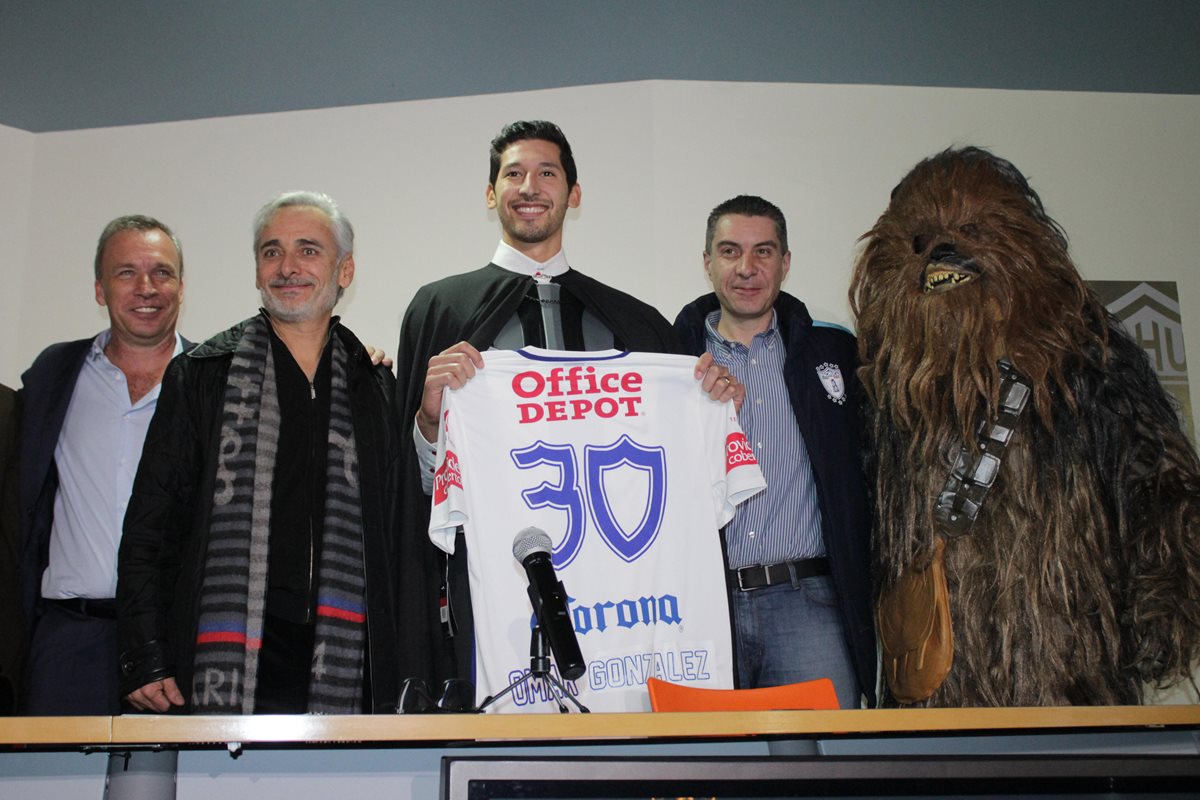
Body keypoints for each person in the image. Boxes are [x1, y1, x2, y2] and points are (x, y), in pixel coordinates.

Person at [395, 120, 740, 683]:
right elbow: (413, 484)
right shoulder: (439, 310)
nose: (530, 186)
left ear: (573, 195)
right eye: (514, 174)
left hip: (625, 595)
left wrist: (711, 406)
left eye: (547, 173)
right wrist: (430, 420)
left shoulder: (636, 323)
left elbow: (679, 471)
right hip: (494, 583)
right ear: (491, 194)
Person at [117, 191, 402, 714]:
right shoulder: (202, 373)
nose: (287, 267)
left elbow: (398, 539)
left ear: (345, 270)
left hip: (345, 657)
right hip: (224, 652)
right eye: (272, 252)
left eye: (308, 250)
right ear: (255, 270)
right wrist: (145, 654)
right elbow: (150, 529)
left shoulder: (375, 385)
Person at [674, 195, 876, 709]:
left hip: (809, 604)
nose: (747, 268)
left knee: (821, 773)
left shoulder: (835, 353)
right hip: (702, 607)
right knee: (705, 774)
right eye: (729, 251)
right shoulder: (669, 363)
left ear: (785, 263)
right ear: (707, 262)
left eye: (763, 252)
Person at [18, 215, 188, 715]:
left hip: (171, 645)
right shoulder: (53, 375)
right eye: (125, 273)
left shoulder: (215, 383)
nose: (146, 288)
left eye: (162, 272)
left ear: (181, 286)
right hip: (68, 642)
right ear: (99, 288)